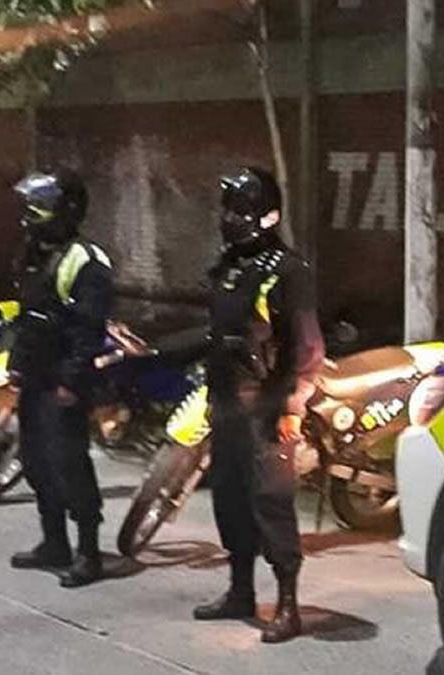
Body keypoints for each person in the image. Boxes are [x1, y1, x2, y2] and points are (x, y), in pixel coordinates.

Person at [193, 167, 325, 644]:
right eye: (227, 209)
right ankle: (240, 592)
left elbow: (307, 347)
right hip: (227, 402)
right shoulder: (229, 267)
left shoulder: (287, 271)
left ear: (268, 216)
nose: (228, 218)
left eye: (239, 210)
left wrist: (292, 406)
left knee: (271, 502)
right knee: (228, 499)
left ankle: (288, 605)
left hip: (266, 407)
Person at [7, 169, 114, 589]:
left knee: (71, 465)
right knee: (36, 460)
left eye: (40, 208)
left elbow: (88, 330)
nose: (30, 216)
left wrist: (70, 380)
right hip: (36, 375)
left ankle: (88, 552)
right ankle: (54, 542)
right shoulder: (35, 252)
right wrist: (17, 362)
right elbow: (28, 316)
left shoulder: (86, 260)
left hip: (64, 380)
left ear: (66, 210)